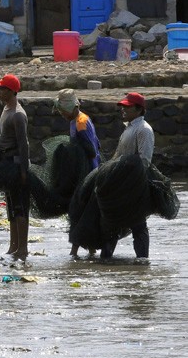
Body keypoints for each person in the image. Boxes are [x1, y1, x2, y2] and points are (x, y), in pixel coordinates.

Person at [102, 92, 154, 259]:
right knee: (113, 223)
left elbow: (144, 161)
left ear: (139, 110)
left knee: (138, 225)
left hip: (135, 185)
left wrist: (128, 180)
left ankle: (142, 261)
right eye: (122, 107)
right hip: (121, 183)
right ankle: (106, 259)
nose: (123, 110)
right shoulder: (129, 128)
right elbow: (118, 155)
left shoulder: (144, 130)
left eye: (127, 107)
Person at [53, 88, 101, 257]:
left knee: (78, 212)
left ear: (73, 107)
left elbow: (91, 150)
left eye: (62, 110)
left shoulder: (81, 122)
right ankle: (90, 250)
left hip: (88, 172)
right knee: (84, 212)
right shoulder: (76, 120)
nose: (61, 114)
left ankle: (76, 251)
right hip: (86, 172)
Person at [0, 74, 30, 261]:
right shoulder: (6, 108)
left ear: (11, 91)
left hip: (16, 164)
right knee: (11, 208)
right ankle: (13, 246)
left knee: (20, 207)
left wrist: (24, 171)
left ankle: (22, 249)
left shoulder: (17, 114)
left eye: (1, 89)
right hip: (7, 162)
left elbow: (24, 145)